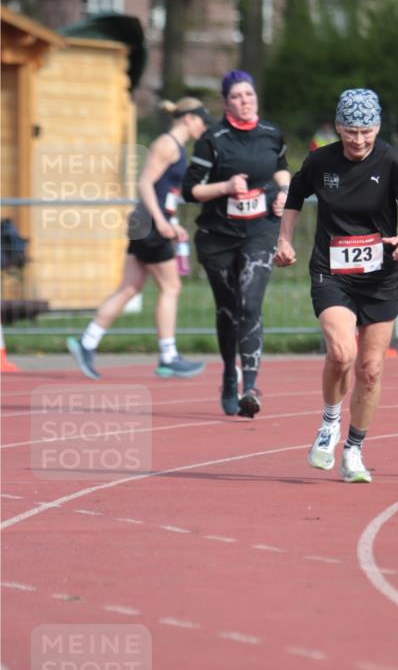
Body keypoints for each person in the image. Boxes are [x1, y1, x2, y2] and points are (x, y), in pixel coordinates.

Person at [274, 88, 398, 483]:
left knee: (371, 369)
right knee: (342, 353)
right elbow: (294, 194)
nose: (358, 140)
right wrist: (285, 239)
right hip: (332, 271)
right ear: (338, 128)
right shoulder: (320, 161)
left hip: (379, 277)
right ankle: (329, 424)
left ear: (377, 127)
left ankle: (355, 450)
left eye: (366, 131)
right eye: (350, 131)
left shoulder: (392, 160)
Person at [67, 97, 211, 380]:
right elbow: (144, 183)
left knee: (129, 287)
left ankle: (87, 342)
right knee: (171, 287)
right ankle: (168, 356)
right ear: (189, 118)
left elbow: (161, 191)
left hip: (146, 222)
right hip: (147, 224)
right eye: (203, 121)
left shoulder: (176, 146)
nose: (204, 128)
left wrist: (171, 221)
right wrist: (159, 221)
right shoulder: (168, 145)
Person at [182, 70, 290, 417]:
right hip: (219, 237)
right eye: (236, 97)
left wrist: (284, 193)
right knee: (229, 310)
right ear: (226, 102)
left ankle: (251, 387)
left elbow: (282, 169)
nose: (244, 101)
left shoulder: (272, 134)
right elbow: (191, 190)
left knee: (251, 304)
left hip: (260, 231)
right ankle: (230, 374)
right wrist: (225, 187)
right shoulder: (214, 139)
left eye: (249, 95)